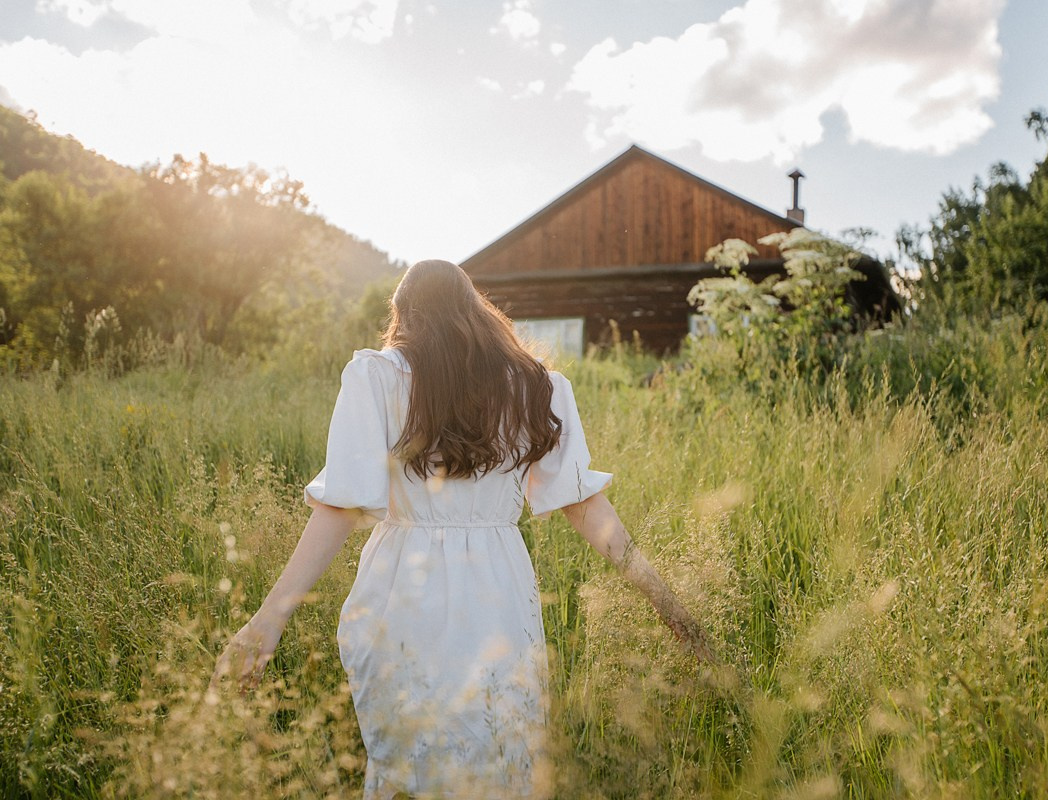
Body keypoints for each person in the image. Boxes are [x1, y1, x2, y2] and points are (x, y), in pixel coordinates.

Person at [211, 260, 713, 799]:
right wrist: (663, 597)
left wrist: (267, 620)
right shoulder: (535, 386)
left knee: (412, 765)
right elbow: (584, 506)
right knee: (500, 757)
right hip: (499, 588)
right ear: (476, 313)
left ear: (402, 315)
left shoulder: (378, 377)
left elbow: (339, 509)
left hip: (403, 584)